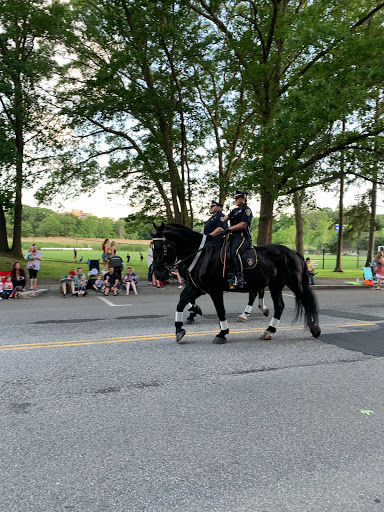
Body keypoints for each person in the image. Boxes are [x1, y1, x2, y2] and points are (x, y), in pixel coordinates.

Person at [222, 190, 253, 288]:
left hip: (242, 237)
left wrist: (229, 229)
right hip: (233, 237)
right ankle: (230, 276)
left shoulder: (246, 210)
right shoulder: (235, 210)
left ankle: (240, 277)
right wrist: (221, 216)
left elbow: (243, 224)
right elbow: (223, 219)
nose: (235, 200)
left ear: (244, 198)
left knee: (235, 252)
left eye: (238, 198)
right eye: (235, 198)